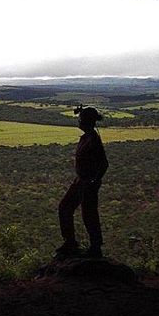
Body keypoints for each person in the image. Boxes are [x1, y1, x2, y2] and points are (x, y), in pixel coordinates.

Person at [55, 106, 109, 258]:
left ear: (87, 121)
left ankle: (94, 247)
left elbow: (104, 164)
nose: (79, 122)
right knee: (65, 208)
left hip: (87, 183)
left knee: (88, 213)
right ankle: (71, 243)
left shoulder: (93, 139)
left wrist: (93, 180)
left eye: (81, 119)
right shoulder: (88, 137)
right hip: (81, 181)